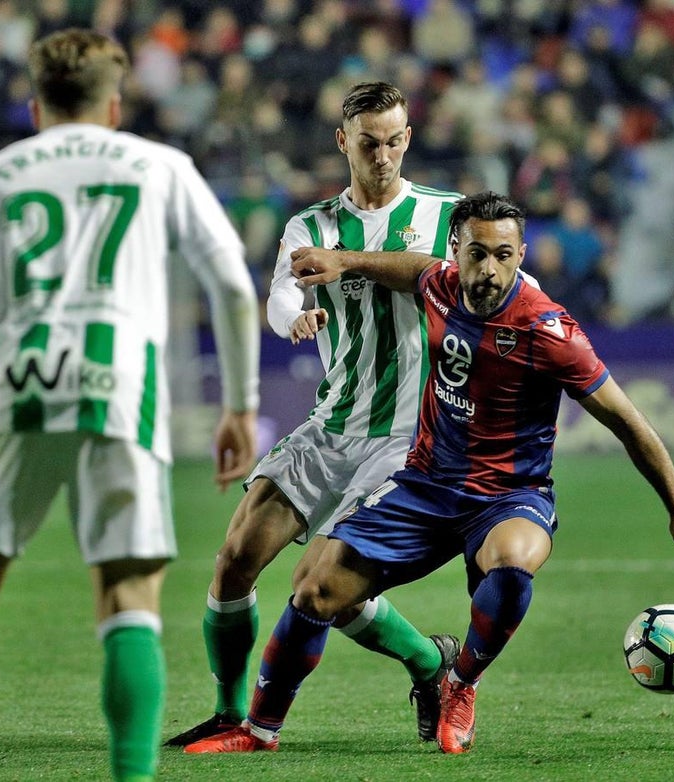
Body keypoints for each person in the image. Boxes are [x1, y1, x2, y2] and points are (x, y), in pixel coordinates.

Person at [0, 29, 260, 782]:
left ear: (36, 106)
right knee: (128, 598)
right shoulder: (161, 166)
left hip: (16, 379)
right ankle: (130, 775)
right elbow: (233, 285)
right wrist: (242, 404)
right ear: (114, 104)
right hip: (121, 383)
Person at [185, 191, 674, 755]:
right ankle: (260, 731)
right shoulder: (441, 284)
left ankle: (461, 682)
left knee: (511, 566)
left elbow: (629, 423)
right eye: (476, 254)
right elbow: (414, 268)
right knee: (315, 590)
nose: (488, 270)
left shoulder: (549, 332)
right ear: (456, 251)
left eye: (504, 255)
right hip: (425, 484)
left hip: (510, 495)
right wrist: (347, 261)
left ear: (521, 254)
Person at [164, 81, 462, 748]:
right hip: (334, 424)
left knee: (326, 585)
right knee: (236, 560)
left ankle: (426, 663)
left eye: (393, 141)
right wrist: (295, 317)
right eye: (368, 143)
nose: (382, 155)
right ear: (343, 142)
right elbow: (276, 294)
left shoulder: (450, 216)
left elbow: (443, 278)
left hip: (408, 438)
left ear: (408, 138)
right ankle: (229, 710)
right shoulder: (313, 225)